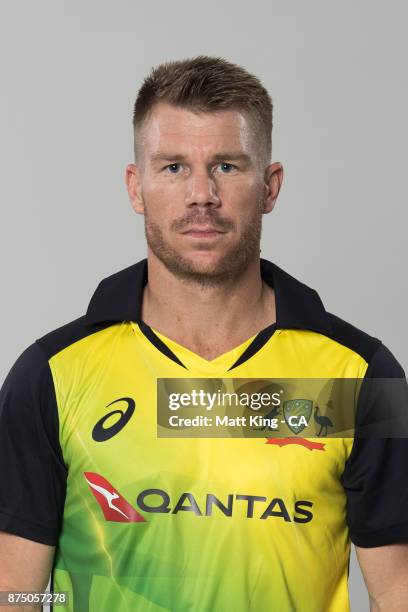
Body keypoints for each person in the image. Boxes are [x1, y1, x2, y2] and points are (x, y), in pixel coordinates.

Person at [0, 55, 407, 612]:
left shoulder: (358, 377)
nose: (201, 195)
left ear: (270, 187)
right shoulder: (53, 374)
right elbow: (11, 593)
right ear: (135, 186)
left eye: (227, 166)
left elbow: (397, 590)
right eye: (172, 167)